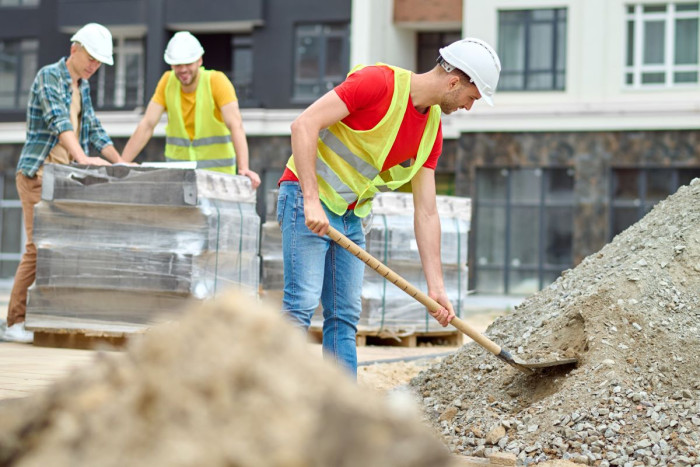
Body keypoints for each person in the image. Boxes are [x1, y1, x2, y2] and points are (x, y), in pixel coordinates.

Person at [277, 38, 501, 377]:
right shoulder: (377, 83)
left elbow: (426, 211)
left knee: (344, 315)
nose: (469, 107)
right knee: (301, 307)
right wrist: (310, 200)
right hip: (305, 199)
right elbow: (303, 125)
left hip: (350, 215)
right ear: (454, 81)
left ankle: (345, 410)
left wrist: (436, 287)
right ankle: (273, 403)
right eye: (472, 98)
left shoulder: (431, 131)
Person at [1, 23, 123, 343]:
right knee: (38, 248)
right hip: (38, 173)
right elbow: (60, 121)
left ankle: (49, 317)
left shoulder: (82, 86)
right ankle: (15, 321)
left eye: (99, 62)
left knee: (60, 248)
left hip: (62, 177)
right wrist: (83, 160)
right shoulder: (49, 76)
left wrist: (122, 163)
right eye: (91, 58)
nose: (94, 66)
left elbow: (95, 129)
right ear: (74, 49)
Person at [121, 31, 260, 188]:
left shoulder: (216, 81)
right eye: (178, 65)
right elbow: (147, 124)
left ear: (199, 60)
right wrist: (122, 164)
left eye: (188, 63)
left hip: (217, 177)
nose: (183, 69)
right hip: (180, 178)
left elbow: (236, 125)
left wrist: (243, 168)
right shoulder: (167, 81)